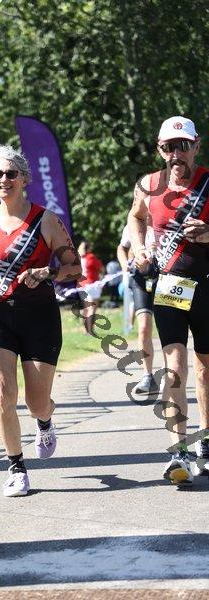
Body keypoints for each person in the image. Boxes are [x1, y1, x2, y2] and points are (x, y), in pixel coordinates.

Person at [0, 145, 81, 497]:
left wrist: (47, 272)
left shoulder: (46, 220)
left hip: (39, 316)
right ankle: (16, 468)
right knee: (2, 393)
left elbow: (74, 267)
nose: (4, 180)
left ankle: (44, 421)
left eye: (11, 174)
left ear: (24, 179)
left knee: (36, 402)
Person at [128, 115, 209, 485]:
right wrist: (140, 247)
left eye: (183, 145)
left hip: (207, 285)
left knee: (205, 368)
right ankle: (179, 451)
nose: (176, 153)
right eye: (168, 147)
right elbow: (135, 217)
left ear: (196, 146)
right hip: (171, 286)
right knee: (175, 366)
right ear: (160, 150)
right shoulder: (148, 185)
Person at [117, 224, 159, 394]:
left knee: (171, 329)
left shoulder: (165, 219)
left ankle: (172, 371)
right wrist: (124, 264)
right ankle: (148, 376)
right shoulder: (132, 225)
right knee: (143, 328)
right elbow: (122, 247)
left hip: (165, 278)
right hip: (140, 279)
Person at [77, 241, 103, 335]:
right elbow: (101, 268)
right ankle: (90, 330)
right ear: (88, 248)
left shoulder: (79, 259)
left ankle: (86, 330)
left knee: (86, 308)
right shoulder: (91, 257)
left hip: (81, 285)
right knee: (92, 308)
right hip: (91, 284)